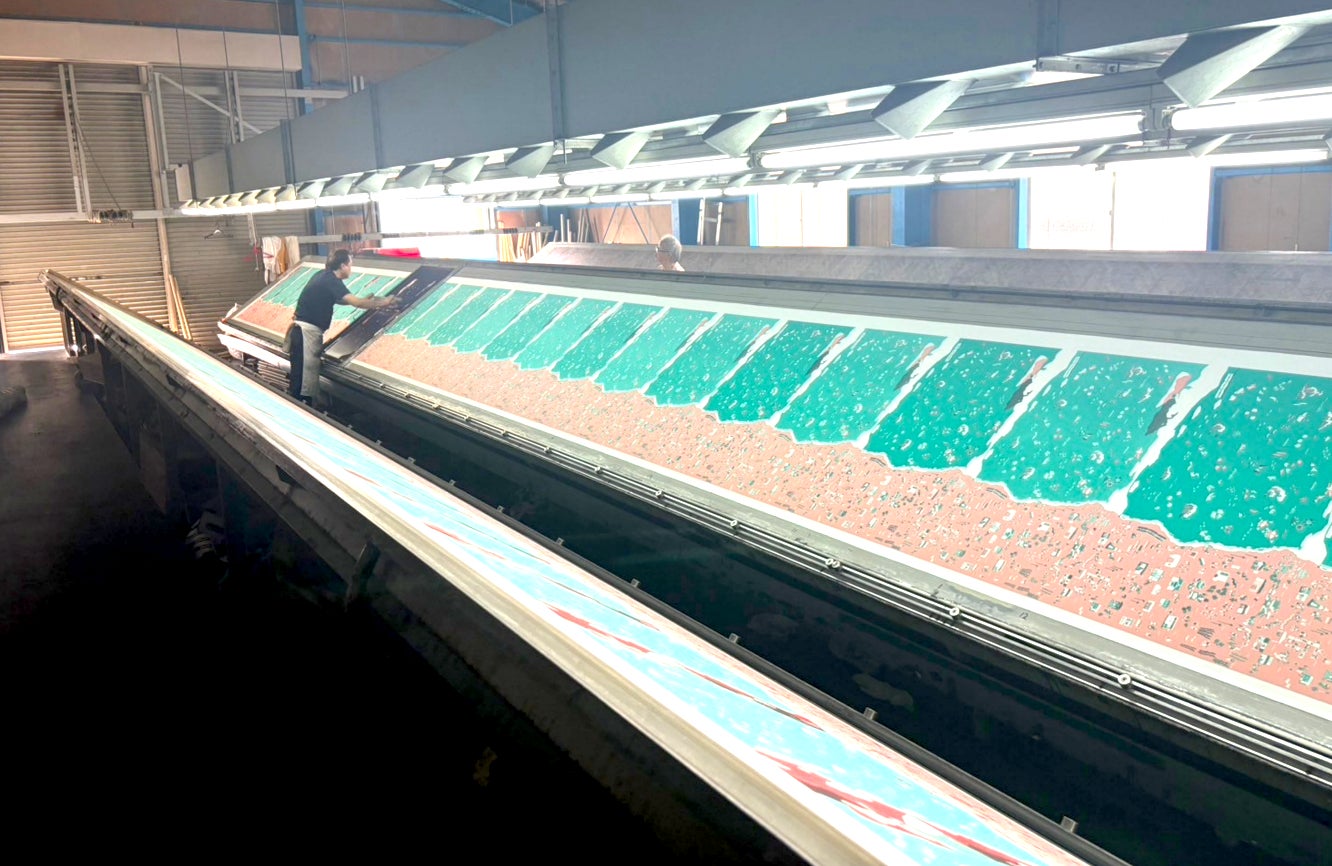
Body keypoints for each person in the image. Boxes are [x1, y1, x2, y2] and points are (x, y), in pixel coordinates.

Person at [285, 249, 398, 405]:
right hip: (306, 335)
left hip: (301, 334)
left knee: (301, 380)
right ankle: (301, 409)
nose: (351, 268)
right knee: (304, 387)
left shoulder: (322, 275)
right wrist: (384, 302)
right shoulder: (331, 281)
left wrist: (365, 301)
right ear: (343, 266)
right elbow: (357, 303)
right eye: (350, 265)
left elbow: (340, 299)